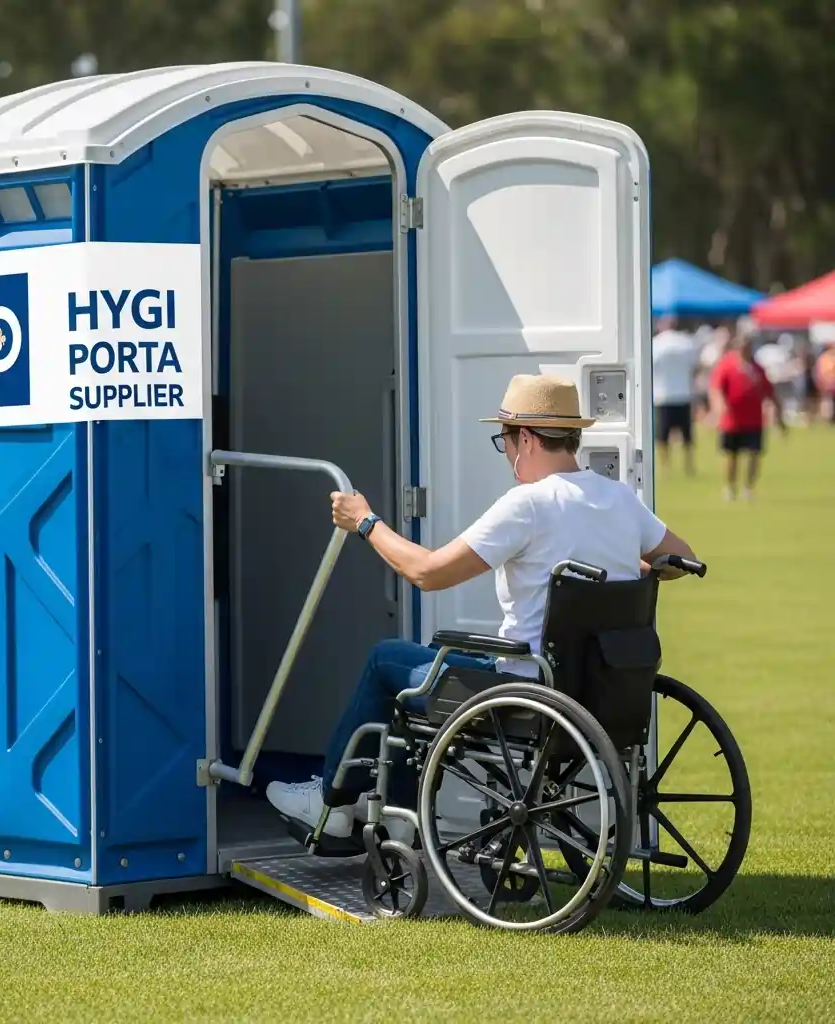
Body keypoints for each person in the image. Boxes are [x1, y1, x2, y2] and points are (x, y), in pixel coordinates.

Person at [265, 374, 698, 841]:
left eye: (506, 440)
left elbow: (427, 572)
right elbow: (681, 559)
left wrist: (366, 522)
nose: (508, 454)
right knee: (429, 659)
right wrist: (626, 566)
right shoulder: (619, 499)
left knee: (387, 659)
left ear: (527, 439)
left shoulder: (527, 505)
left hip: (526, 692)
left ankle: (333, 804)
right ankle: (393, 818)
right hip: (599, 691)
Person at [710, 330, 786, 501]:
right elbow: (716, 389)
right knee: (731, 455)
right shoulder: (726, 365)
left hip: (754, 420)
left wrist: (778, 417)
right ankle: (729, 488)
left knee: (753, 454)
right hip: (732, 420)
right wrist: (719, 406)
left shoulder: (757, 368)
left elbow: (769, 392)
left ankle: (748, 488)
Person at [651, 315, 699, 474]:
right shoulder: (686, 342)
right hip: (683, 393)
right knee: (687, 435)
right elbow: (695, 366)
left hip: (663, 394)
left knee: (662, 435)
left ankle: (665, 466)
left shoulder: (656, 343)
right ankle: (689, 466)